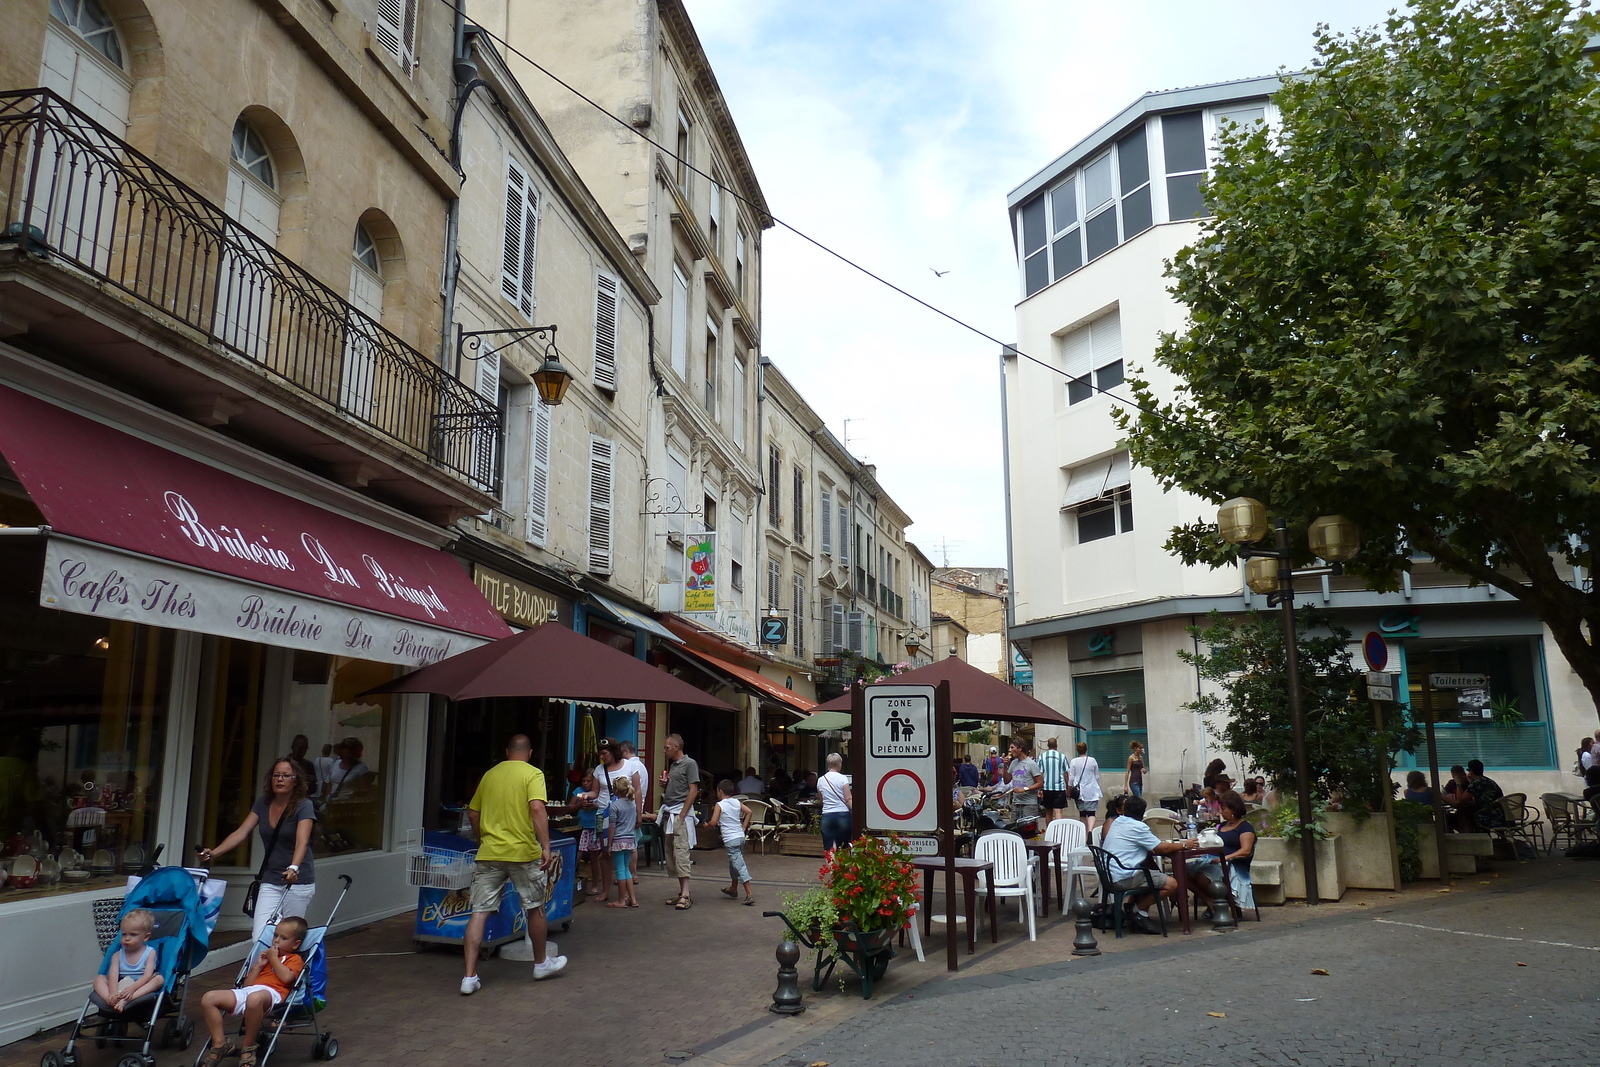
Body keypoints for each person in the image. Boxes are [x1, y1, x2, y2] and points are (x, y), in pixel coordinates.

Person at [459, 735, 565, 993]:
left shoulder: (489, 775)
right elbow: (537, 808)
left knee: (479, 911)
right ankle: (541, 963)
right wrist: (547, 845)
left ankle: (469, 977)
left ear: (507, 751)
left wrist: (481, 838)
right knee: (535, 907)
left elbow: (474, 812)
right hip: (522, 852)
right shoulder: (533, 774)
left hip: (490, 852)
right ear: (529, 752)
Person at [199, 758, 316, 951]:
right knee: (260, 937)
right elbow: (241, 832)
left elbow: (301, 842)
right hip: (271, 878)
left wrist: (294, 867)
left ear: (295, 780)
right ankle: (265, 978)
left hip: (297, 881)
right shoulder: (263, 803)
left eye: (286, 776)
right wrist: (214, 853)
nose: (280, 779)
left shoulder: (304, 805)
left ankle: (292, 977)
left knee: (291, 939)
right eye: (276, 775)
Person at [197, 916, 307, 1067]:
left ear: (296, 944)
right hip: (251, 991)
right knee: (208, 998)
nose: (276, 941)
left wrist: (273, 959)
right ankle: (220, 1044)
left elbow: (287, 978)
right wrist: (259, 967)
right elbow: (247, 985)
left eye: (283, 938)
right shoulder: (265, 959)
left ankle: (248, 1047)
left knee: (254, 999)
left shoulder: (294, 959)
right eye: (275, 935)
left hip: (271, 994)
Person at [1101, 795, 1195, 934]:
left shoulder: (1118, 821)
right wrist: (1184, 845)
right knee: (1171, 884)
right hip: (1123, 877)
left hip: (1109, 875)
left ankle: (1132, 907)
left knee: (1151, 873)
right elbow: (1161, 849)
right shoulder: (1138, 826)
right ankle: (1139, 911)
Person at [1186, 791, 1256, 912]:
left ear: (1233, 809)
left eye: (1223, 809)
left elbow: (1246, 850)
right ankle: (1209, 900)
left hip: (1233, 864)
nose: (1220, 812)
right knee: (1182, 871)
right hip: (1213, 860)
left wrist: (1226, 858)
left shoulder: (1245, 827)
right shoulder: (1222, 825)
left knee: (1201, 876)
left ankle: (1219, 903)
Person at [653, 733, 699, 910]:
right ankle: (682, 892)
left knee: (681, 853)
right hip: (670, 812)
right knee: (671, 853)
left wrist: (683, 814)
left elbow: (693, 790)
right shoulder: (673, 766)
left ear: (676, 747)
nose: (664, 751)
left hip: (679, 813)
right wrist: (666, 785)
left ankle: (686, 894)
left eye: (667, 747)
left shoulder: (690, 763)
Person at [93, 908, 163, 1015]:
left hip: (139, 987)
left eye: (133, 935)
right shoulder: (117, 955)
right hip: (120, 985)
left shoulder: (150, 952)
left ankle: (126, 1000)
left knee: (158, 979)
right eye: (124, 934)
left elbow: (147, 976)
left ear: (146, 937)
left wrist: (132, 989)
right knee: (99, 979)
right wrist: (113, 992)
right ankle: (110, 998)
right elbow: (113, 976)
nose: (127, 938)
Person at [709, 780, 756, 906]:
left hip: (730, 839)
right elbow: (749, 812)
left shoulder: (720, 805)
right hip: (740, 837)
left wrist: (706, 825)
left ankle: (749, 894)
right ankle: (733, 888)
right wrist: (744, 827)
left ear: (720, 791)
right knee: (734, 863)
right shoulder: (736, 802)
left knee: (739, 865)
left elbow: (713, 822)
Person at [568, 772, 609, 901]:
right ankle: (570, 881)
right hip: (582, 825)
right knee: (578, 853)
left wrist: (596, 806)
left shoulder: (598, 794)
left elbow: (607, 806)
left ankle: (595, 885)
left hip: (594, 826)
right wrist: (580, 805)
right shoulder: (578, 792)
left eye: (588, 781)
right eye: (584, 780)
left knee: (594, 856)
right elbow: (570, 807)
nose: (585, 783)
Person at [605, 776, 639, 909]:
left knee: (620, 870)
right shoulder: (632, 804)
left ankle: (621, 899)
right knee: (626, 869)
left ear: (615, 790)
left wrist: (609, 843)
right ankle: (633, 899)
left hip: (618, 840)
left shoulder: (614, 806)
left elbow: (612, 826)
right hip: (630, 840)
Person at [1000, 740, 1041, 829]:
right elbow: (1007, 780)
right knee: (1014, 831)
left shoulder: (1031, 764)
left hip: (1029, 804)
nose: (1009, 750)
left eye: (1012, 747)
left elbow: (1040, 783)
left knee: (1028, 831)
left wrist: (1025, 789)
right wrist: (1006, 766)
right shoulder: (1013, 763)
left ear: (1020, 748)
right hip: (1016, 804)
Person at [818, 752, 853, 852]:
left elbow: (821, 799)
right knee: (844, 846)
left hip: (827, 815)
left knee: (829, 848)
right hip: (842, 814)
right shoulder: (843, 778)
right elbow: (848, 799)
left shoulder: (821, 780)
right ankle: (843, 867)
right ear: (839, 764)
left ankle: (831, 867)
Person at [321, 737, 370, 805]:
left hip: (347, 806)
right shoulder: (336, 763)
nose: (349, 756)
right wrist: (326, 799)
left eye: (351, 753)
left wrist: (355, 796)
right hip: (331, 804)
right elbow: (330, 784)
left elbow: (364, 790)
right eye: (346, 753)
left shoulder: (361, 768)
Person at [1068, 741, 1103, 832]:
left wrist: (1069, 789)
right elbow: (1097, 776)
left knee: (1082, 814)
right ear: (1086, 750)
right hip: (1092, 790)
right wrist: (1097, 787)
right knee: (1091, 813)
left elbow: (1071, 777)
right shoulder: (1092, 760)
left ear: (1077, 750)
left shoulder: (1074, 761)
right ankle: (1090, 830)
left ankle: (1084, 833)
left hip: (1080, 792)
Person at [1037, 737, 1069, 824]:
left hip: (1047, 787)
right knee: (1058, 812)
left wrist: (1040, 788)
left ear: (1047, 745)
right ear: (1056, 745)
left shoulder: (1042, 757)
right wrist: (1067, 787)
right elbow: (1066, 773)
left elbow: (1040, 773)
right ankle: (1058, 832)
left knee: (1048, 812)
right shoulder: (1062, 756)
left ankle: (1049, 833)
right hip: (1059, 788)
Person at [619, 740, 649, 815]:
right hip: (639, 806)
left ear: (625, 751)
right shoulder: (642, 766)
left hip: (629, 807)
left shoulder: (629, 766)